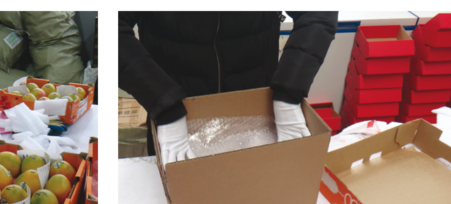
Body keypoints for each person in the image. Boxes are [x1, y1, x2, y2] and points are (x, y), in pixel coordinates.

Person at [119, 12, 338, 165]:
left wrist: (289, 90)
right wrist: (161, 100)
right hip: (175, 118)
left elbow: (317, 11)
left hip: (258, 115)